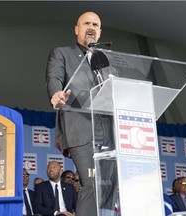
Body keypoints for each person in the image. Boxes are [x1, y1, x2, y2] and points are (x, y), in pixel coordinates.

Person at [45, 11, 117, 216]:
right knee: (92, 183)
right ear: (77, 29)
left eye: (95, 24)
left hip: (109, 130)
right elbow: (54, 77)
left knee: (108, 186)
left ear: (100, 32)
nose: (91, 27)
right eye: (86, 23)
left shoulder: (107, 59)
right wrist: (56, 94)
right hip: (80, 127)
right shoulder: (62, 53)